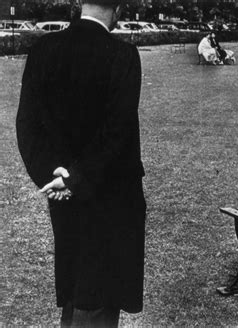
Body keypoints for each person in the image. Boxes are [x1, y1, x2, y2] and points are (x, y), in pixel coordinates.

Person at [16, 0, 146, 326]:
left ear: (78, 4)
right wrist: (75, 178)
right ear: (118, 10)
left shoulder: (43, 50)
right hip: (109, 196)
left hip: (64, 195)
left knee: (75, 287)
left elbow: (27, 127)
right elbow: (117, 132)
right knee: (99, 298)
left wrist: (54, 174)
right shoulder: (123, 56)